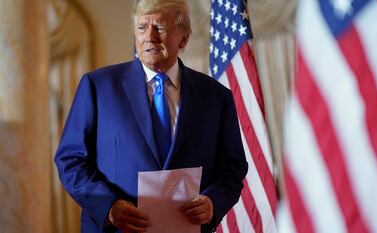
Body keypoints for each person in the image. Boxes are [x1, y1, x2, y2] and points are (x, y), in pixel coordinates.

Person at [54, 0, 248, 232]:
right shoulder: (98, 87)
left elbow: (232, 167)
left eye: (160, 27)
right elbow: (70, 160)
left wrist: (213, 203)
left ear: (183, 39)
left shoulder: (216, 96)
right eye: (142, 27)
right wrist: (108, 206)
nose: (149, 37)